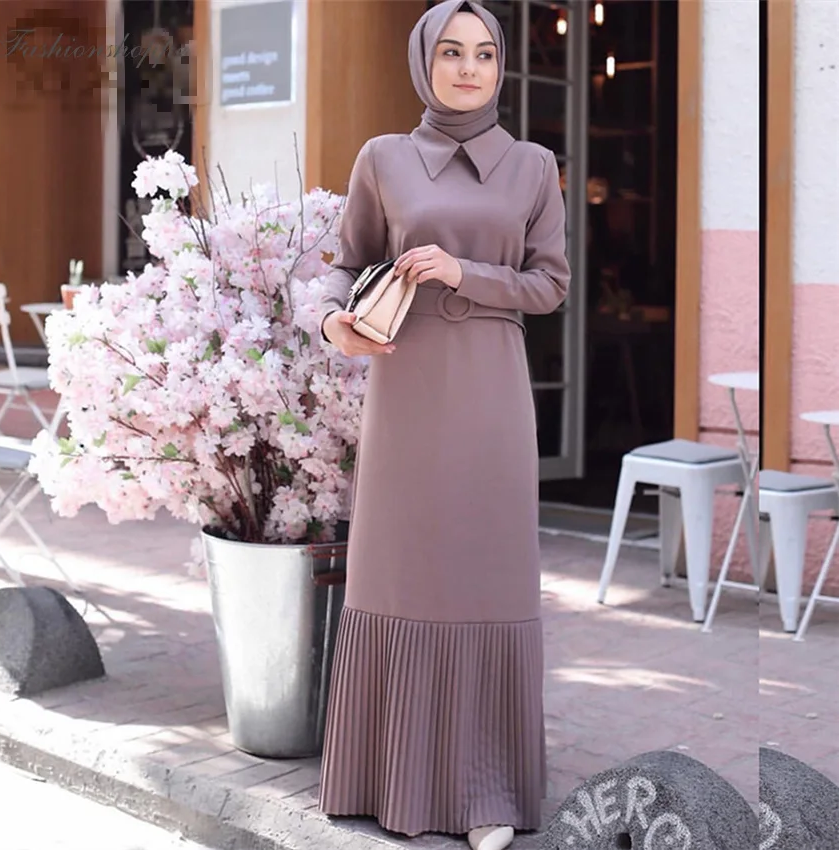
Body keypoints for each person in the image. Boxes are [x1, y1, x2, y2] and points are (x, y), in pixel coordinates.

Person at [316, 3, 570, 849]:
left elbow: (551, 285)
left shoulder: (533, 166)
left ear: (501, 66)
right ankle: (384, 776)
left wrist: (467, 272)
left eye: (485, 53)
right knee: (402, 574)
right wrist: (333, 324)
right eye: (452, 52)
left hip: (492, 390)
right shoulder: (383, 158)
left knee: (487, 574)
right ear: (424, 61)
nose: (468, 68)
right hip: (406, 385)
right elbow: (346, 266)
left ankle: (486, 791)